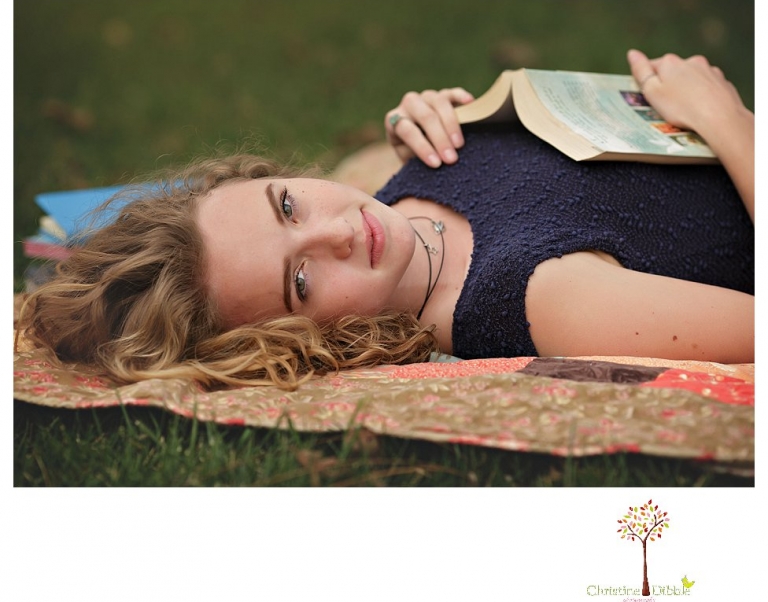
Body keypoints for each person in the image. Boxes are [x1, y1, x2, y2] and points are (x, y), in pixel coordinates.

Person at [19, 49, 754, 390]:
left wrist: (450, 122)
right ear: (298, 342)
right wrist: (729, 122)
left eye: (288, 204)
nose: (337, 231)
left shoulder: (409, 173)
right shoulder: (540, 296)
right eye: (300, 280)